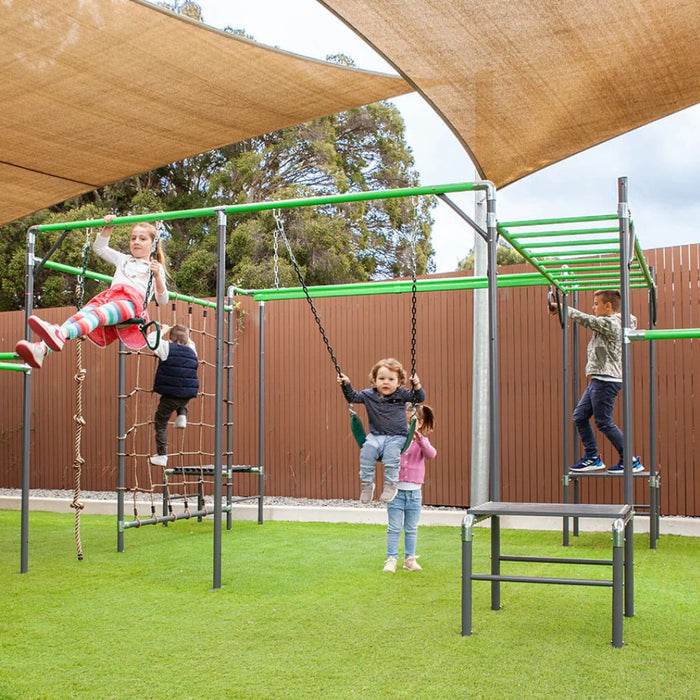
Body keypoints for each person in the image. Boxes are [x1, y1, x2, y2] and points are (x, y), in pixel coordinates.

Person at [16, 214, 168, 368]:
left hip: (131, 305)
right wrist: (107, 229)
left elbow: (163, 300)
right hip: (109, 298)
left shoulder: (155, 267)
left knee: (98, 314)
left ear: (153, 245)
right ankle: (41, 349)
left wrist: (157, 277)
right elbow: (100, 248)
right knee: (79, 316)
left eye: (142, 239)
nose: (136, 242)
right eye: (133, 238)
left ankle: (60, 334)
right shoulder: (124, 259)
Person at [550, 289, 643, 474]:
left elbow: (588, 320)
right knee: (579, 416)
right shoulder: (613, 322)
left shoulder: (612, 323)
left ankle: (630, 459)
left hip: (606, 380)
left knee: (603, 421)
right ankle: (592, 457)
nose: (593, 308)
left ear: (608, 306)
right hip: (598, 380)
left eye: (596, 304)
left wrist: (564, 308)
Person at [337, 357, 425, 503]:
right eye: (381, 378)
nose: (386, 382)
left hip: (398, 436)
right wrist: (346, 384)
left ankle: (390, 485)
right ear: (375, 380)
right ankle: (367, 485)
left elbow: (419, 397)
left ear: (399, 382)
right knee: (366, 452)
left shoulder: (402, 394)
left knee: (391, 455)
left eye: (391, 379)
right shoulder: (368, 395)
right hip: (376, 435)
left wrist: (416, 385)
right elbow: (352, 397)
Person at [383, 404, 436, 573]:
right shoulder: (394, 440)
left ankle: (409, 559)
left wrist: (419, 439)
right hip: (396, 492)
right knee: (394, 528)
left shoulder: (422, 441)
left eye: (409, 423)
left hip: (414, 493)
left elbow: (431, 454)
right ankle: (391, 559)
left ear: (418, 423)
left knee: (411, 528)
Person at [148, 324, 199, 467]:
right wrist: (186, 338)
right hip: (187, 394)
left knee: (161, 422)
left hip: (169, 395)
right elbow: (190, 342)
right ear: (188, 341)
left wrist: (162, 330)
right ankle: (182, 415)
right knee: (182, 393)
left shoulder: (166, 347)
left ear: (170, 339)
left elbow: (151, 341)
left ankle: (162, 455)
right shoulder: (192, 351)